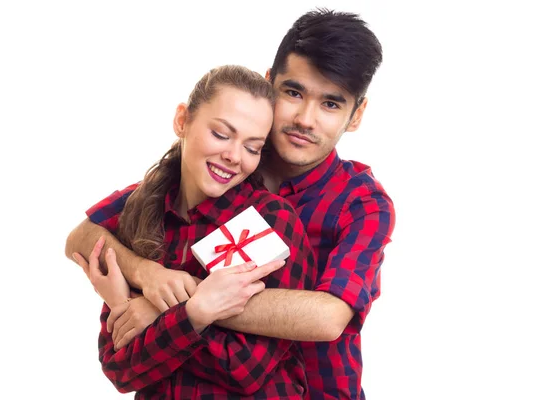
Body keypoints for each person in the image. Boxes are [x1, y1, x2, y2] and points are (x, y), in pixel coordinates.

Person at [67, 9, 395, 399]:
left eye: (331, 104)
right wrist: (148, 275)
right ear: (268, 85)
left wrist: (170, 308)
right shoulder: (217, 175)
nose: (306, 119)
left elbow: (327, 318)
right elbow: (83, 236)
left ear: (356, 114)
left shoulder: (360, 202)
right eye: (293, 92)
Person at [70, 64, 318, 399]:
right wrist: (145, 282)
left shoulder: (267, 220)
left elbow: (245, 369)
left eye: (252, 147)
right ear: (182, 121)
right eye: (221, 134)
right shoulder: (141, 206)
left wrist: (160, 313)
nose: (233, 156)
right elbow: (120, 370)